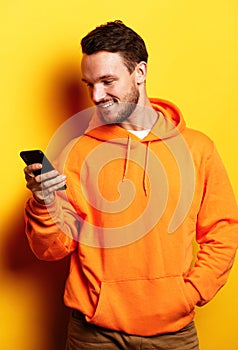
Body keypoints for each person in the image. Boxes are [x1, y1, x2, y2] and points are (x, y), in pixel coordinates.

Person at [23, 20, 238, 350]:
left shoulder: (197, 149)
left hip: (174, 334)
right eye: (89, 84)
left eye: (107, 81)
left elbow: (224, 231)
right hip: (94, 334)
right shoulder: (76, 152)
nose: (96, 95)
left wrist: (193, 291)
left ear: (140, 72)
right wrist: (43, 202)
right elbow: (51, 248)